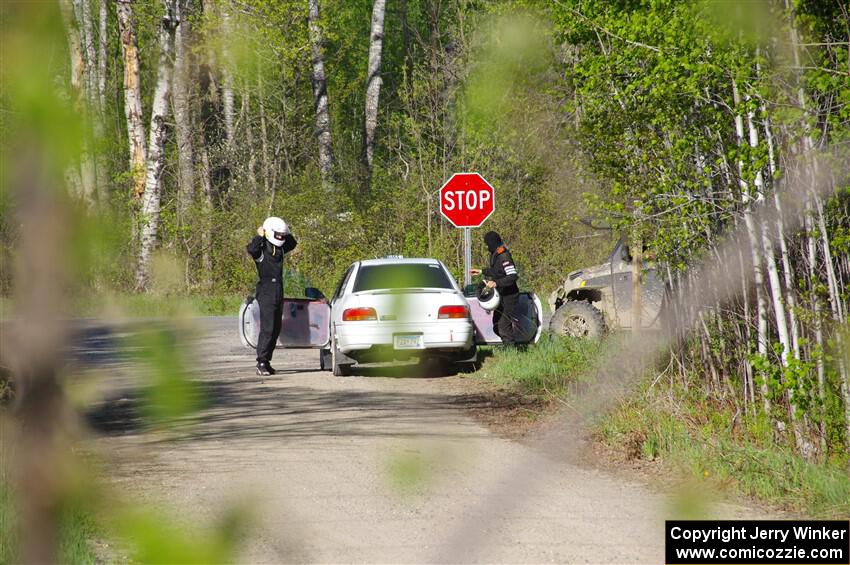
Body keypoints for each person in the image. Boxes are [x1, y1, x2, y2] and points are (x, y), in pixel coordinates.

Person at [246, 216, 297, 375]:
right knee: (267, 328)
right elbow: (252, 248)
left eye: (282, 235)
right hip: (266, 289)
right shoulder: (262, 250)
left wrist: (285, 229)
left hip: (278, 289)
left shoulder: (280, 249)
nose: (281, 237)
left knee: (276, 328)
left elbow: (292, 243)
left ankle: (267, 361)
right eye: (279, 235)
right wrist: (261, 234)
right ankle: (260, 362)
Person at [470, 231, 519, 345]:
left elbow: (512, 276)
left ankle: (511, 352)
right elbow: (497, 271)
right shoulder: (495, 254)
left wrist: (496, 283)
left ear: (493, 243)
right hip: (501, 296)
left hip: (509, 296)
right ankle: (510, 346)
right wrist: (481, 271)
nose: (487, 247)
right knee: (497, 326)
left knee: (503, 326)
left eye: (487, 244)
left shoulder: (504, 256)